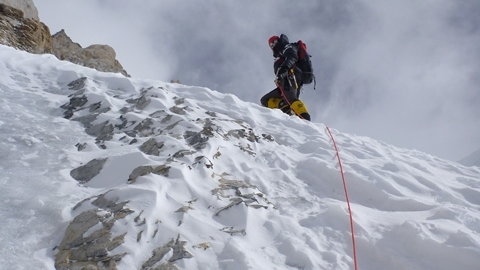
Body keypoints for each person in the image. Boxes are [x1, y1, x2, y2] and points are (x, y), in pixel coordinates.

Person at [260, 34, 311, 121]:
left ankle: (305, 119)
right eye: (270, 45)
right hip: (287, 78)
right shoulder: (280, 53)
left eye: (274, 42)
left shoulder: (287, 47)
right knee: (266, 100)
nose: (272, 45)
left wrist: (284, 69)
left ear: (278, 41)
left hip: (290, 75)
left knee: (291, 99)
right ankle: (285, 112)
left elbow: (292, 57)